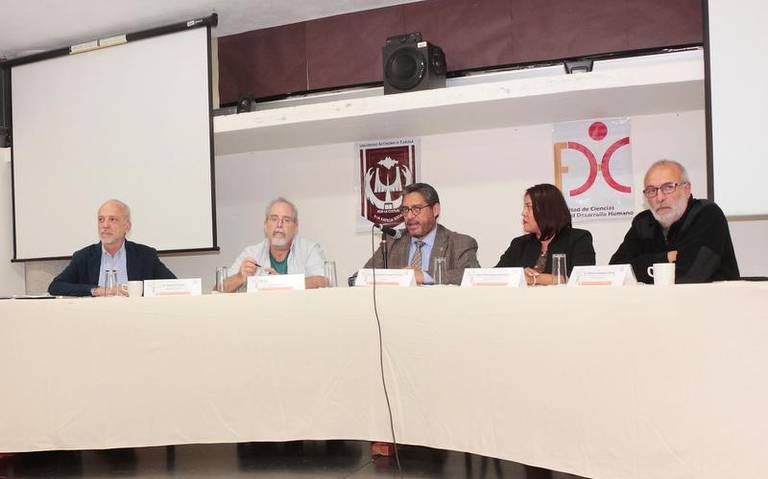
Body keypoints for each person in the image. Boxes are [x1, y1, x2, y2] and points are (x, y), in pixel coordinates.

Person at [610, 159, 739, 283]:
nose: (660, 198)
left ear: (686, 190)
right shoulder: (643, 222)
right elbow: (616, 272)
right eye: (652, 190)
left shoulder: (706, 214)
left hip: (712, 298)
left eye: (668, 187)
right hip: (658, 298)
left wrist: (644, 265)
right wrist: (666, 257)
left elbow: (690, 276)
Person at [48, 199, 176, 297]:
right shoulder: (84, 256)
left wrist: (136, 291)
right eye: (101, 220)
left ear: (127, 226)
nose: (105, 225)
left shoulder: (145, 255)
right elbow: (56, 286)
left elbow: (174, 285)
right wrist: (97, 290)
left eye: (113, 219)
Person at [362, 182, 480, 285]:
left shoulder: (460, 243)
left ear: (435, 210)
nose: (409, 216)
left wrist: (425, 276)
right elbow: (361, 277)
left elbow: (472, 276)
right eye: (405, 210)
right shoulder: (392, 241)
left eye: (416, 209)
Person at [495, 183, 595, 285]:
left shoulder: (578, 239)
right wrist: (520, 276)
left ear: (547, 210)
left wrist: (533, 278)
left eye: (528, 206)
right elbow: (496, 276)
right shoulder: (519, 243)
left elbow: (581, 279)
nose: (523, 213)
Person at [224, 197, 327, 291]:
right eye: (274, 219)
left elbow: (324, 281)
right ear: (265, 224)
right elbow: (220, 287)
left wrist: (281, 282)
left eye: (286, 220)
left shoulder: (309, 250)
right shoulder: (251, 253)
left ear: (296, 226)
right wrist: (239, 277)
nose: (279, 225)